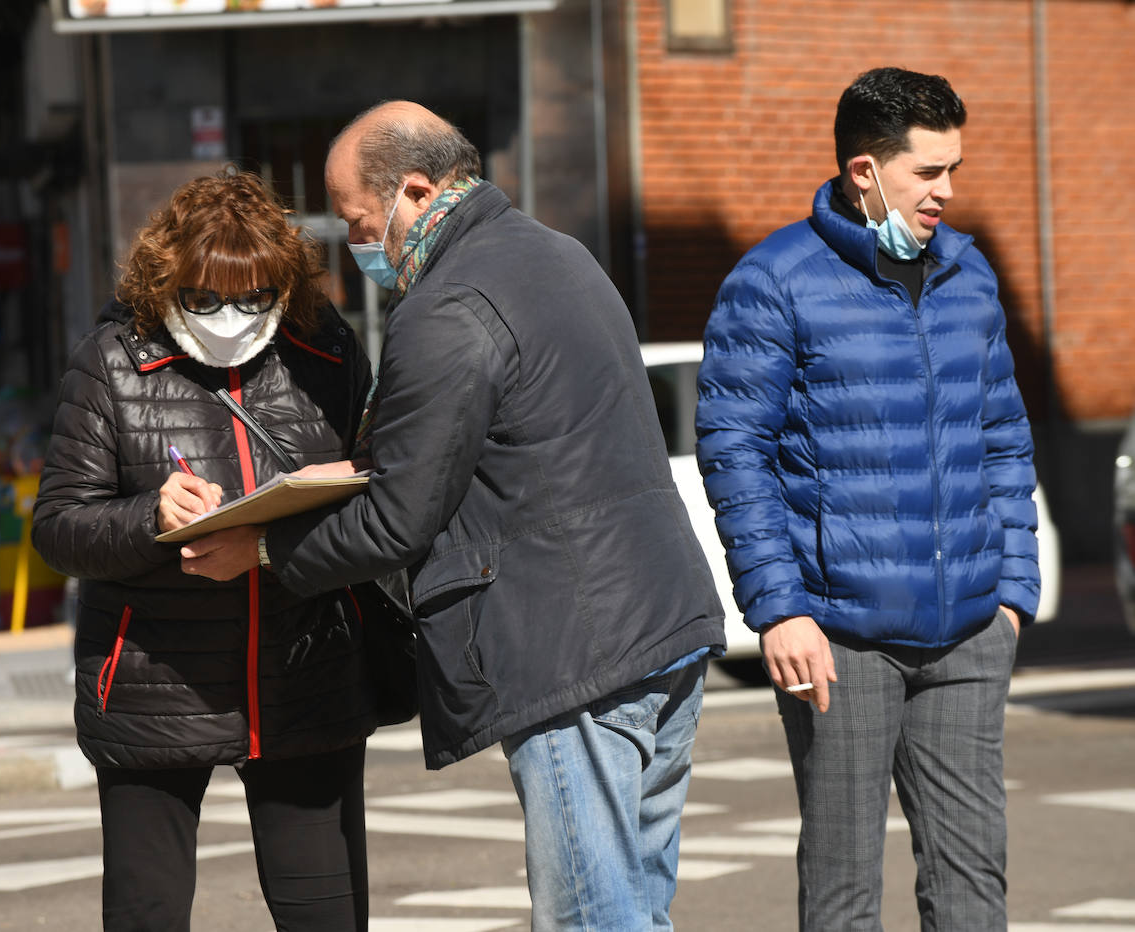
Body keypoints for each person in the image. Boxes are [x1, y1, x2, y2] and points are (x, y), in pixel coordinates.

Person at [179, 101, 726, 931]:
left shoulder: (446, 304)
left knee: (590, 918)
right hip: (664, 617)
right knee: (637, 907)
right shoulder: (559, 254)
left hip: (569, 648)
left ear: (415, 189)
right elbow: (516, 437)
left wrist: (263, 545)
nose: (360, 243)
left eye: (361, 220)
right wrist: (357, 467)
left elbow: (400, 522)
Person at [696, 67, 1040, 930]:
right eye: (928, 173)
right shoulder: (774, 280)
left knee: (973, 885)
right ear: (865, 173)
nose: (947, 192)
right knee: (844, 892)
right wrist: (780, 612)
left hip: (968, 630)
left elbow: (1003, 437)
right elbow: (735, 453)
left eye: (953, 169)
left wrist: (1012, 596)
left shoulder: (968, 276)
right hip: (839, 639)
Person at [31, 171, 378, 932]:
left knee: (327, 914)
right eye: (208, 297)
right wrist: (149, 515)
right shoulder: (111, 363)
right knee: (146, 913)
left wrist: (274, 540)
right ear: (168, 280)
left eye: (255, 295)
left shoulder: (325, 352)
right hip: (154, 684)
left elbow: (378, 495)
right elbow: (58, 527)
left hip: (303, 679)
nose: (232, 316)